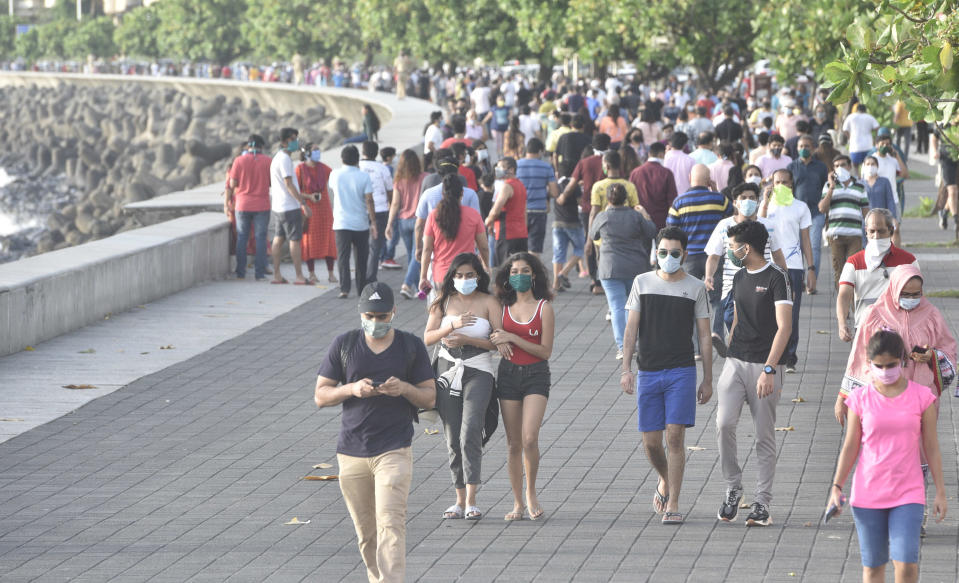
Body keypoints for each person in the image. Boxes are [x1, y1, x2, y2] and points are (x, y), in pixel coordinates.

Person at [314, 282, 436, 583]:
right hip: (351, 451)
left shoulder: (410, 346)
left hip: (394, 448)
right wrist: (352, 389)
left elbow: (430, 397)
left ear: (393, 312)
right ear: (360, 314)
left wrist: (405, 388)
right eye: (371, 315)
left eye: (383, 316)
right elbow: (321, 395)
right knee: (366, 533)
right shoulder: (344, 345)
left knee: (391, 524)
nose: (377, 322)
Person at [827, 329, 946, 583]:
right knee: (873, 568)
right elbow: (850, 446)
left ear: (903, 361)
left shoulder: (922, 397)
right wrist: (836, 487)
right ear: (869, 364)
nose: (885, 371)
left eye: (891, 365)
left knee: (906, 565)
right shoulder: (860, 399)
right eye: (878, 366)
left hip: (908, 493)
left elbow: (932, 446)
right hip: (868, 494)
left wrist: (940, 490)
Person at [621, 226, 713, 524]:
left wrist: (708, 378)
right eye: (663, 252)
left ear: (684, 254)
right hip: (648, 370)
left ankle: (673, 502)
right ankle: (665, 479)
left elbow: (704, 335)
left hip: (682, 371)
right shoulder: (642, 282)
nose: (668, 257)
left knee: (675, 436)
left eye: (674, 253)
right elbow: (631, 328)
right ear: (655, 253)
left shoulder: (696, 287)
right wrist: (626, 370)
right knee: (650, 442)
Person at [716, 220, 792, 527]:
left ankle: (762, 502)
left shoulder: (777, 278)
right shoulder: (738, 276)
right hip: (735, 361)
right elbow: (736, 318)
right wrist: (728, 346)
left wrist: (770, 369)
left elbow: (785, 327)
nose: (731, 251)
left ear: (748, 247)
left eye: (734, 245)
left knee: (763, 435)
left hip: (766, 366)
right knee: (723, 425)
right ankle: (733, 489)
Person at [423, 253, 502, 522]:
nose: (464, 280)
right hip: (447, 370)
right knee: (452, 435)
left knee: (470, 431)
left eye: (469, 275)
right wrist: (450, 329)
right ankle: (457, 499)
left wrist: (470, 339)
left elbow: (498, 342)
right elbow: (427, 337)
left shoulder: (489, 301)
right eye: (459, 275)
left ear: (478, 276)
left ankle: (471, 500)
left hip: (479, 369)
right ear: (451, 277)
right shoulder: (442, 301)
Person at [836, 264, 957, 425]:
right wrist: (843, 397)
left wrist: (932, 356)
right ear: (894, 289)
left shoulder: (932, 315)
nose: (912, 299)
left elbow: (949, 349)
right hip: (884, 395)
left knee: (921, 444)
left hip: (922, 397)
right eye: (905, 294)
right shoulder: (874, 315)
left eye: (916, 295)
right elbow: (858, 357)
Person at [490, 253, 555, 521]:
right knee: (513, 443)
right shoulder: (500, 307)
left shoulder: (544, 308)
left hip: (536, 375)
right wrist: (498, 338)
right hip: (507, 375)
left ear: (534, 275)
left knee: (530, 438)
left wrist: (512, 338)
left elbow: (545, 351)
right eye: (514, 271)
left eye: (525, 270)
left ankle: (531, 492)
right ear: (507, 277)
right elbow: (491, 332)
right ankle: (517, 502)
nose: (519, 276)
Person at [704, 182, 787, 355]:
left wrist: (786, 282)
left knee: (758, 324)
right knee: (731, 318)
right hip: (732, 286)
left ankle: (745, 354)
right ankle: (738, 349)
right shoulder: (724, 226)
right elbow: (713, 256)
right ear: (735, 202)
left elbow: (778, 256)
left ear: (758, 201)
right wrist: (709, 275)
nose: (747, 201)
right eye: (743, 198)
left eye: (751, 198)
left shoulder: (769, 226)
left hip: (762, 284)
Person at [589, 183, 657, 359]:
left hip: (610, 268)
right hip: (636, 267)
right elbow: (651, 232)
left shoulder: (602, 216)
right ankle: (637, 342)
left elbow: (593, 235)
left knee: (617, 307)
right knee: (635, 306)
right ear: (626, 198)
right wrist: (645, 215)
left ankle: (623, 346)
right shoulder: (635, 216)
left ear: (608, 199)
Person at [759, 169, 815, 373]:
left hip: (793, 267)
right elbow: (759, 226)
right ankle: (771, 353)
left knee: (791, 312)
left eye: (785, 182)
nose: (780, 185)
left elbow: (806, 239)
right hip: (769, 265)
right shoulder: (766, 205)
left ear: (792, 184)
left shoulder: (800, 207)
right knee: (768, 311)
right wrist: (765, 202)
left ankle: (790, 356)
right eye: (777, 182)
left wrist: (811, 267)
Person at [836, 209, 917, 342]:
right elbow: (844, 295)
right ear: (866, 231)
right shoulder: (854, 262)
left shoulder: (908, 261)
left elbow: (917, 296)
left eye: (881, 231)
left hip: (899, 330)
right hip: (865, 329)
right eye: (872, 231)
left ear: (891, 231)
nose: (876, 236)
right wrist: (842, 324)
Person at [666, 164, 731, 321]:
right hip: (715, 257)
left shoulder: (679, 202)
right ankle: (717, 333)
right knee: (718, 299)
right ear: (709, 181)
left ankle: (690, 337)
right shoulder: (720, 199)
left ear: (690, 178)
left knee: (688, 299)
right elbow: (730, 218)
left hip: (689, 258)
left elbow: (670, 229)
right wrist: (715, 191)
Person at [420, 175, 490, 292]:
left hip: (442, 274)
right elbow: (483, 247)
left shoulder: (434, 216)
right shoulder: (473, 215)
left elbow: (427, 249)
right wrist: (486, 266)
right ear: (462, 193)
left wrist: (423, 276)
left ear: (443, 194)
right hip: (467, 275)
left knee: (445, 308)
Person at [330, 145, 377, 298]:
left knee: (343, 257)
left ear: (342, 159)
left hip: (341, 223)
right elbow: (369, 200)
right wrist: (374, 223)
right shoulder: (364, 176)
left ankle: (344, 289)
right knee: (361, 259)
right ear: (357, 159)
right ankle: (361, 289)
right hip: (360, 223)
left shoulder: (334, 175)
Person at [819, 154, 869, 289]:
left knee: (855, 270)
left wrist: (869, 232)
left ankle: (854, 302)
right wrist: (831, 187)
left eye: (843, 165)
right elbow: (822, 208)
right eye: (836, 166)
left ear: (849, 166)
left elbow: (866, 211)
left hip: (855, 235)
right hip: (836, 235)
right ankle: (843, 307)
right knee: (839, 272)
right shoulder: (829, 185)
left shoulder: (859, 186)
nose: (840, 168)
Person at [270, 128, 311, 285]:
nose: (296, 142)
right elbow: (289, 183)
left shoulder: (276, 158)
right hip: (289, 206)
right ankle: (299, 276)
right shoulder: (285, 160)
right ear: (286, 140)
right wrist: (302, 203)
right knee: (294, 240)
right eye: (294, 138)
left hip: (278, 206)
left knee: (278, 239)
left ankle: (277, 275)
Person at [228, 134, 272, 281]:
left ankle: (241, 272)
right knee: (260, 238)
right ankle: (259, 273)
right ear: (262, 146)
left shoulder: (239, 160)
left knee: (242, 237)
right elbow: (272, 182)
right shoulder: (268, 161)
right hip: (262, 204)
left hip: (242, 204)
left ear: (248, 146)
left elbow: (233, 183)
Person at [787, 134, 829, 282]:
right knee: (797, 249)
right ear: (797, 149)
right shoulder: (791, 167)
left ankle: (812, 281)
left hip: (816, 214)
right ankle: (798, 280)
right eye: (801, 146)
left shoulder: (821, 167)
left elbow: (827, 190)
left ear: (813, 148)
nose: (804, 149)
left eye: (807, 146)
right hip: (796, 215)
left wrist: (827, 215)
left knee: (814, 247)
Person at [386, 150, 427, 299]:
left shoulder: (398, 180)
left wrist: (389, 224)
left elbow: (395, 204)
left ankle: (417, 289)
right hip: (419, 221)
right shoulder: (425, 178)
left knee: (412, 254)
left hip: (403, 221)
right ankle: (408, 284)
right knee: (417, 255)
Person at [296, 142, 337, 284]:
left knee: (329, 241)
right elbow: (295, 190)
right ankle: (311, 273)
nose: (317, 152)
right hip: (309, 210)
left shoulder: (324, 168)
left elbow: (335, 178)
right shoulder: (300, 169)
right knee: (309, 241)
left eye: (318, 150)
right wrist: (308, 197)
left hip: (324, 210)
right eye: (314, 150)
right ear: (307, 153)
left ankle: (331, 273)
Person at [516, 138, 559, 258]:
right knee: (535, 248)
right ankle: (532, 274)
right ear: (540, 151)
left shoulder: (516, 165)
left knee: (519, 247)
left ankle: (519, 275)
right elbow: (555, 192)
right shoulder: (546, 167)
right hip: (539, 211)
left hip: (519, 211)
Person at [359, 141, 393, 284]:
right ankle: (370, 278)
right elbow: (390, 191)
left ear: (363, 152)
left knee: (360, 246)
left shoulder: (357, 167)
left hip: (360, 210)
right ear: (377, 152)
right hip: (380, 211)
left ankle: (360, 277)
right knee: (375, 247)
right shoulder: (382, 169)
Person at [486, 156, 529, 267]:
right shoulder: (521, 185)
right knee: (520, 268)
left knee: (505, 269)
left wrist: (487, 221)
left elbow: (496, 211)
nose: (497, 170)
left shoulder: (507, 186)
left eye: (500, 167)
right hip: (521, 234)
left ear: (511, 169)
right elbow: (524, 212)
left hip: (507, 233)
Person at [630, 141, 679, 230]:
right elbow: (672, 201)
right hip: (661, 221)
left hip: (640, 221)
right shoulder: (666, 173)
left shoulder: (635, 172)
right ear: (661, 154)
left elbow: (630, 198)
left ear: (649, 154)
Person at [552, 174, 585, 294]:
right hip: (573, 223)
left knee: (558, 253)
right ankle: (563, 273)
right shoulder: (573, 186)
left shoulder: (555, 184)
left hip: (557, 223)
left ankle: (556, 284)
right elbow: (581, 203)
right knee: (580, 249)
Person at [861, 157, 902, 247]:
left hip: (881, 219)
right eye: (868, 164)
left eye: (873, 164)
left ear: (877, 166)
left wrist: (892, 217)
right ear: (863, 166)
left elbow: (890, 200)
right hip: (864, 221)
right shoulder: (860, 183)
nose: (870, 166)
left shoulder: (884, 181)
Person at [663, 132, 696, 197]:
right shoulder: (690, 160)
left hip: (668, 196)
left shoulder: (665, 157)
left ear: (670, 142)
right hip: (686, 195)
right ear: (684, 144)